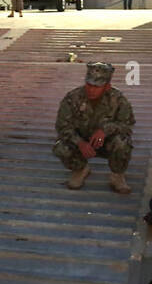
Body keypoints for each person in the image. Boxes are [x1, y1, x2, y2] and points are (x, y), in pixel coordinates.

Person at [52, 61, 135, 194]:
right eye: (89, 85)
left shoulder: (118, 100)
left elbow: (127, 125)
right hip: (82, 143)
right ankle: (81, 169)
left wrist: (105, 130)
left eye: (97, 86)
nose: (91, 89)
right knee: (60, 147)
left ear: (107, 86)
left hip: (107, 143)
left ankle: (117, 175)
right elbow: (62, 126)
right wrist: (79, 143)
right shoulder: (72, 98)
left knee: (123, 142)